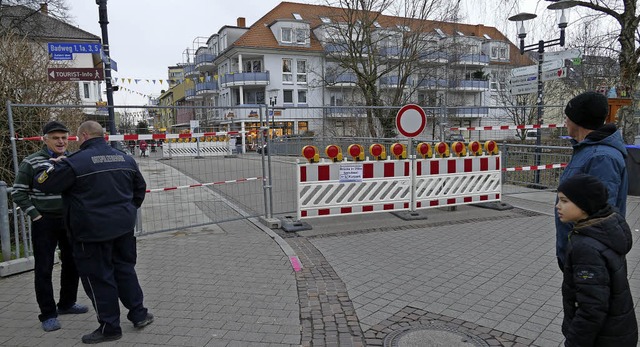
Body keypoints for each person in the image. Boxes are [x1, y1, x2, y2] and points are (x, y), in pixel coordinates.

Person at [33, 121, 153, 344]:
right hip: (123, 229)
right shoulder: (125, 158)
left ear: (84, 136)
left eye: (77, 138)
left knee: (99, 278)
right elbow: (139, 190)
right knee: (125, 270)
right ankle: (139, 314)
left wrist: (51, 165)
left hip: (91, 233)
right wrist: (125, 212)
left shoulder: (73, 163)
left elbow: (44, 184)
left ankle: (110, 328)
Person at [11, 121, 88, 332]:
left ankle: (66, 303)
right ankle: (48, 313)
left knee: (72, 263)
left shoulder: (73, 159)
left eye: (64, 137)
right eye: (55, 138)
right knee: (44, 268)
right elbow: (18, 192)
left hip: (69, 220)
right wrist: (35, 216)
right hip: (44, 221)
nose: (61, 141)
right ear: (45, 139)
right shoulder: (31, 162)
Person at [556, 174, 637, 346]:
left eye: (564, 201)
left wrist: (574, 343)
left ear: (584, 205)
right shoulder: (606, 230)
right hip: (617, 330)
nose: (558, 206)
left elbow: (591, 308)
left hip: (601, 338)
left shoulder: (586, 248)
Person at [555, 91, 628, 270]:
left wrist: (584, 258)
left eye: (568, 117)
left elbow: (600, 215)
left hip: (589, 259)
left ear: (578, 121)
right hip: (579, 252)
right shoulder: (588, 151)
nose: (565, 121)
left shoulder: (601, 157)